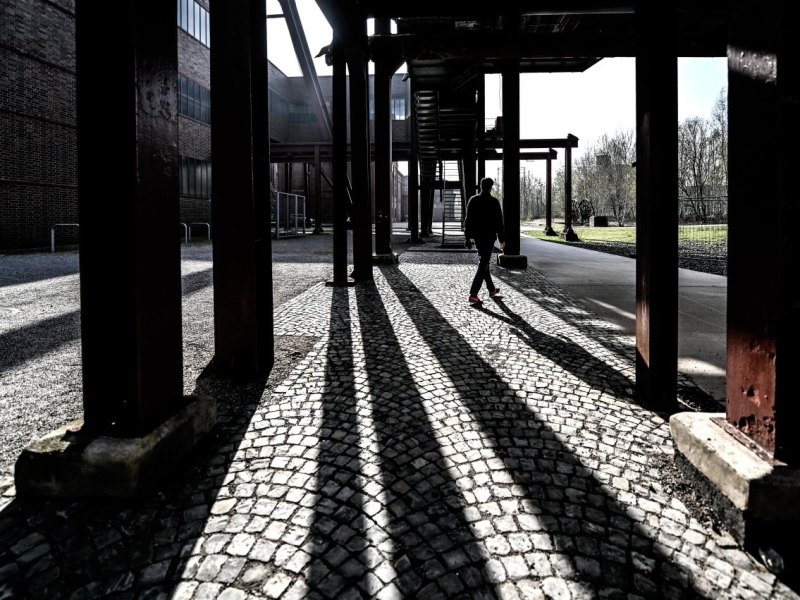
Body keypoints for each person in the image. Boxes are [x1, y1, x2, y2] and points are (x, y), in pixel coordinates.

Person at [464, 177, 506, 304]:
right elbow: (499, 222)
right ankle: (473, 294)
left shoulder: (473, 200)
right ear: (491, 187)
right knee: (483, 263)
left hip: (477, 237)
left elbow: (468, 220)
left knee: (484, 261)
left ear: (480, 186)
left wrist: (467, 237)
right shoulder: (494, 202)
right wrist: (502, 239)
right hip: (489, 237)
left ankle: (491, 289)